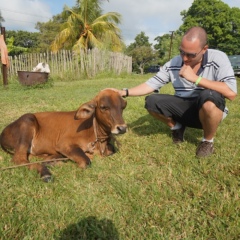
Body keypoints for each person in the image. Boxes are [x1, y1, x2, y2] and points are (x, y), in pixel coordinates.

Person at [118, 26, 237, 157]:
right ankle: (177, 127)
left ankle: (207, 141)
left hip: (208, 108)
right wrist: (124, 92)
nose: (184, 58)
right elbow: (151, 84)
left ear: (204, 49)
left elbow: (231, 93)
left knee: (208, 96)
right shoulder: (174, 62)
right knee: (152, 101)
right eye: (182, 52)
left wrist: (196, 79)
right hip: (184, 107)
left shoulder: (218, 58)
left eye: (190, 54)